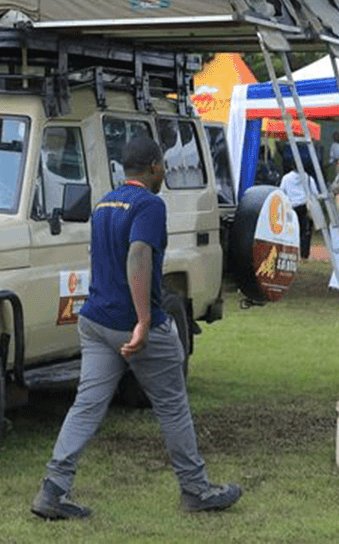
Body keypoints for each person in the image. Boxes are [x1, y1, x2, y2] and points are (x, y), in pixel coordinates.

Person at [30, 137, 241, 520]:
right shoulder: (150, 205)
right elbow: (138, 255)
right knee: (173, 406)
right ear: (156, 167)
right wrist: (143, 321)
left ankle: (53, 490)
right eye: (164, 168)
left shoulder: (104, 204)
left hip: (96, 321)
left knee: (86, 406)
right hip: (134, 325)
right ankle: (196, 490)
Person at [279, 149, 319, 258]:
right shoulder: (309, 178)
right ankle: (304, 254)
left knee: (291, 231)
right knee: (305, 232)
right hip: (305, 208)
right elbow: (315, 193)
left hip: (291, 208)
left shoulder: (286, 178)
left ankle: (291, 252)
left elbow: (281, 192)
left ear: (292, 166)